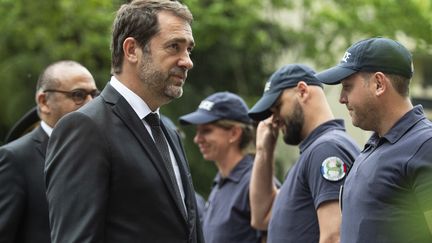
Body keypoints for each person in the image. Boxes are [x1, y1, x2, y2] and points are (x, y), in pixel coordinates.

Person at [44, 1, 203, 242]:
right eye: (174, 47)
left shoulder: (168, 131)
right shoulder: (85, 129)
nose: (187, 61)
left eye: (188, 49)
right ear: (131, 50)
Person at [315, 37, 432, 243]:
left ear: (379, 83)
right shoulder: (372, 147)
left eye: (347, 86)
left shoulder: (425, 145)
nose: (342, 98)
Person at [248, 64, 360, 243]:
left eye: (277, 106)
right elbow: (261, 217)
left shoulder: (327, 149)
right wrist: (263, 151)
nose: (274, 118)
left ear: (302, 91)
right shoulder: (314, 150)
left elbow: (334, 237)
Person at [0, 60, 98, 243]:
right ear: (44, 102)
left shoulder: (100, 150)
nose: (91, 103)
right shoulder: (14, 159)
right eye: (78, 95)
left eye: (94, 94)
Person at [179, 92, 263, 243]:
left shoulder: (255, 184)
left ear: (234, 133)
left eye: (206, 131)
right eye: (197, 131)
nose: (197, 139)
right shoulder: (220, 183)